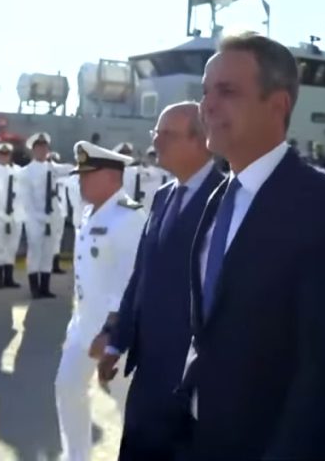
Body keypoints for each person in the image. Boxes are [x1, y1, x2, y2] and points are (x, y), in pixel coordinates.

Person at [178, 33, 325, 460]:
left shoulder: (323, 207)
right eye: (206, 91)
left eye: (227, 91)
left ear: (278, 105)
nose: (207, 105)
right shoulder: (219, 200)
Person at [93, 102, 223, 461]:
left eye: (167, 134)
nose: (156, 142)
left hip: (192, 375)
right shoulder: (163, 196)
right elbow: (142, 275)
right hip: (149, 368)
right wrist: (117, 341)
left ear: (201, 141)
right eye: (156, 133)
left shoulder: (227, 200)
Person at [55, 140, 146, 461]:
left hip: (115, 333)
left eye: (87, 175)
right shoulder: (90, 212)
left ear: (111, 177)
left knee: (127, 404)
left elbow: (131, 280)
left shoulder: (129, 217)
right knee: (67, 388)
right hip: (83, 326)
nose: (80, 181)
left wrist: (111, 332)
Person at [17, 132, 74, 299]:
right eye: (38, 148)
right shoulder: (26, 172)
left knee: (48, 252)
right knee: (35, 252)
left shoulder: (53, 168)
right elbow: (26, 199)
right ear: (33, 150)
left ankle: (45, 287)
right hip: (35, 218)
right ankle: (34, 288)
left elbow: (71, 169)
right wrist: (39, 216)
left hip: (53, 216)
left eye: (44, 147)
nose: (42, 150)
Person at [0, 142, 23, 289]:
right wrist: (1, 214)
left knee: (12, 247)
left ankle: (9, 278)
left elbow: (22, 193)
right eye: (1, 154)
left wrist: (16, 212)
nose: (4, 157)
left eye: (6, 154)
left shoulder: (18, 171)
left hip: (16, 215)